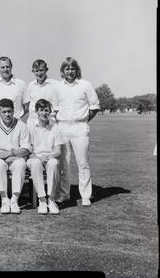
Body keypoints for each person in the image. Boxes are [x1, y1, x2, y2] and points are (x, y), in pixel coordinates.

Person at [55, 57, 100, 207]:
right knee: (63, 164)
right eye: (67, 69)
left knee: (83, 163)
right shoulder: (58, 86)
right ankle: (64, 194)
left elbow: (94, 107)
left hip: (80, 127)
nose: (70, 71)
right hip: (62, 127)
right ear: (63, 71)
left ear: (77, 70)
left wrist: (84, 120)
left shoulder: (85, 85)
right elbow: (54, 109)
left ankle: (86, 195)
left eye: (72, 68)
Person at [0, 98, 31, 214]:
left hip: (15, 157)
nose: (7, 114)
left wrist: (11, 154)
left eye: (9, 111)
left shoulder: (21, 125)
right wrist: (2, 155)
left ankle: (14, 200)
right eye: (4, 112)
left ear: (14, 111)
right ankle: (4, 199)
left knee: (20, 164)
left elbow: (26, 148)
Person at [27, 99, 64, 215]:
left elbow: (58, 152)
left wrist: (48, 156)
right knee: (35, 163)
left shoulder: (55, 127)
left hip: (50, 157)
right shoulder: (31, 127)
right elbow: (28, 150)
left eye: (46, 110)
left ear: (50, 112)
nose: (44, 113)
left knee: (53, 162)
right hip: (34, 157)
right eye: (41, 110)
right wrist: (38, 158)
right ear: (36, 112)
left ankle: (51, 200)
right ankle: (42, 200)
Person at [24, 59, 59, 127]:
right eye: (36, 71)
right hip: (33, 123)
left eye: (41, 70)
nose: (39, 73)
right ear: (33, 71)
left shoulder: (55, 85)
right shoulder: (30, 86)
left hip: (50, 122)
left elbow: (57, 107)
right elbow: (27, 106)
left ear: (46, 69)